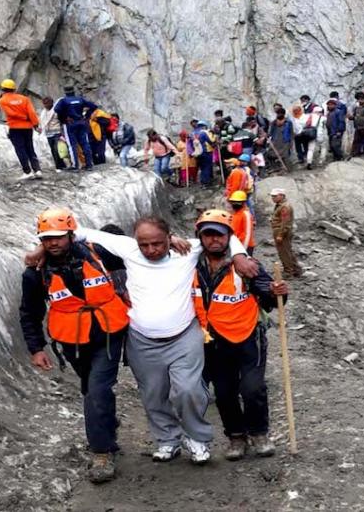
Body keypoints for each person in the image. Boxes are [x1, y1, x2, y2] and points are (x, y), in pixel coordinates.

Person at [34, 217, 259, 465]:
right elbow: (76, 232)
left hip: (184, 336)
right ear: (135, 241)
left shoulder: (188, 249)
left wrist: (239, 257)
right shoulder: (128, 249)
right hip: (142, 340)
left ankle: (197, 438)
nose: (151, 250)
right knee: (153, 394)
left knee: (188, 390)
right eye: (145, 245)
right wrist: (39, 249)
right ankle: (168, 440)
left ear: (169, 238)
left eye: (157, 244)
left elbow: (230, 237)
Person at [20, 208, 129, 484]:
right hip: (71, 338)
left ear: (71, 233)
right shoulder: (36, 273)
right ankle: (106, 424)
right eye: (46, 238)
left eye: (58, 236)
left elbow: (132, 250)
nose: (52, 243)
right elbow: (29, 312)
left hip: (108, 331)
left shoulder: (97, 252)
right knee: (91, 389)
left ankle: (101, 453)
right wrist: (36, 348)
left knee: (97, 389)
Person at [193, 210, 288, 460]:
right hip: (214, 340)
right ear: (200, 238)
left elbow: (269, 295)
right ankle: (236, 436)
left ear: (229, 237)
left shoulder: (246, 265)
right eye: (208, 235)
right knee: (224, 392)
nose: (215, 240)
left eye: (220, 235)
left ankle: (259, 433)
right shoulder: (191, 265)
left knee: (252, 388)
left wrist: (276, 291)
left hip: (249, 337)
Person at [0, 79, 42, 180]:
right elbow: (32, 113)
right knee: (30, 148)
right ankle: (37, 170)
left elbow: (10, 113)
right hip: (27, 127)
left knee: (20, 149)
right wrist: (35, 124)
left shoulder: (2, 101)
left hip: (14, 128)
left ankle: (27, 171)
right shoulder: (24, 99)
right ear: (14, 88)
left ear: (3, 89)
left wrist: (22, 117)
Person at [54, 86, 97, 171]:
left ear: (65, 92)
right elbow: (94, 106)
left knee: (72, 144)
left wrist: (64, 118)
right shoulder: (80, 99)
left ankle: (75, 166)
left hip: (70, 124)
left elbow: (56, 109)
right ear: (74, 91)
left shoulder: (63, 100)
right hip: (81, 122)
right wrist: (86, 116)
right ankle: (89, 164)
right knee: (85, 143)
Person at [271, 188, 302, 278]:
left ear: (282, 196)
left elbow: (285, 223)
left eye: (275, 196)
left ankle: (288, 272)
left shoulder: (285, 207)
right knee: (288, 251)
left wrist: (280, 235)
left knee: (284, 253)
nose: (273, 198)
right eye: (272, 196)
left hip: (281, 231)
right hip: (280, 230)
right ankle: (296, 270)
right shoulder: (280, 205)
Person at [39, 96, 68, 172]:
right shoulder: (43, 112)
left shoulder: (56, 110)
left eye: (47, 103)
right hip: (48, 133)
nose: (46, 105)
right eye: (44, 103)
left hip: (57, 132)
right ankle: (61, 165)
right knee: (53, 150)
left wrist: (62, 132)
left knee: (57, 149)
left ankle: (59, 167)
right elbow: (42, 122)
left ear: (52, 103)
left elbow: (62, 121)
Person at [194, 121, 217, 186]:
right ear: (204, 126)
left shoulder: (193, 133)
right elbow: (210, 141)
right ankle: (206, 182)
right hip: (205, 152)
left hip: (197, 153)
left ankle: (203, 181)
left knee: (202, 168)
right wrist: (215, 137)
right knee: (206, 167)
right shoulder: (204, 132)